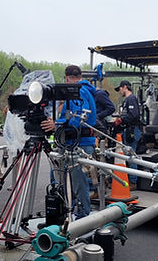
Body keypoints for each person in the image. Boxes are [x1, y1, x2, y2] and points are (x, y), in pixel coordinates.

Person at [41, 65, 97, 219]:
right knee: (64, 180)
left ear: (66, 77)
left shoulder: (79, 92)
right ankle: (66, 214)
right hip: (72, 142)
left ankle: (83, 217)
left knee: (78, 183)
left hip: (80, 143)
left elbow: (78, 117)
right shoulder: (80, 90)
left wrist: (56, 124)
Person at [113, 80, 141, 191]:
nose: (119, 92)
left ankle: (133, 181)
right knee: (128, 155)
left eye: (119, 89)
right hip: (128, 130)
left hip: (132, 130)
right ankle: (129, 180)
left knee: (131, 156)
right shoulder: (127, 101)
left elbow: (134, 116)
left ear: (125, 87)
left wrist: (121, 119)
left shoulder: (131, 99)